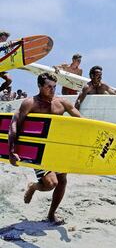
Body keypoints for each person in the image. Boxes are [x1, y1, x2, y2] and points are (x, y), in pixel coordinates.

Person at [8, 73, 81, 224]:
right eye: (49, 87)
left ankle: (51, 214)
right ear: (40, 86)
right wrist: (12, 151)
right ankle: (34, 187)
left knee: (62, 181)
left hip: (58, 148)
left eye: (54, 87)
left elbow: (81, 122)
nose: (52, 90)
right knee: (50, 184)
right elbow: (14, 125)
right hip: (39, 150)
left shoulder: (62, 103)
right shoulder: (30, 103)